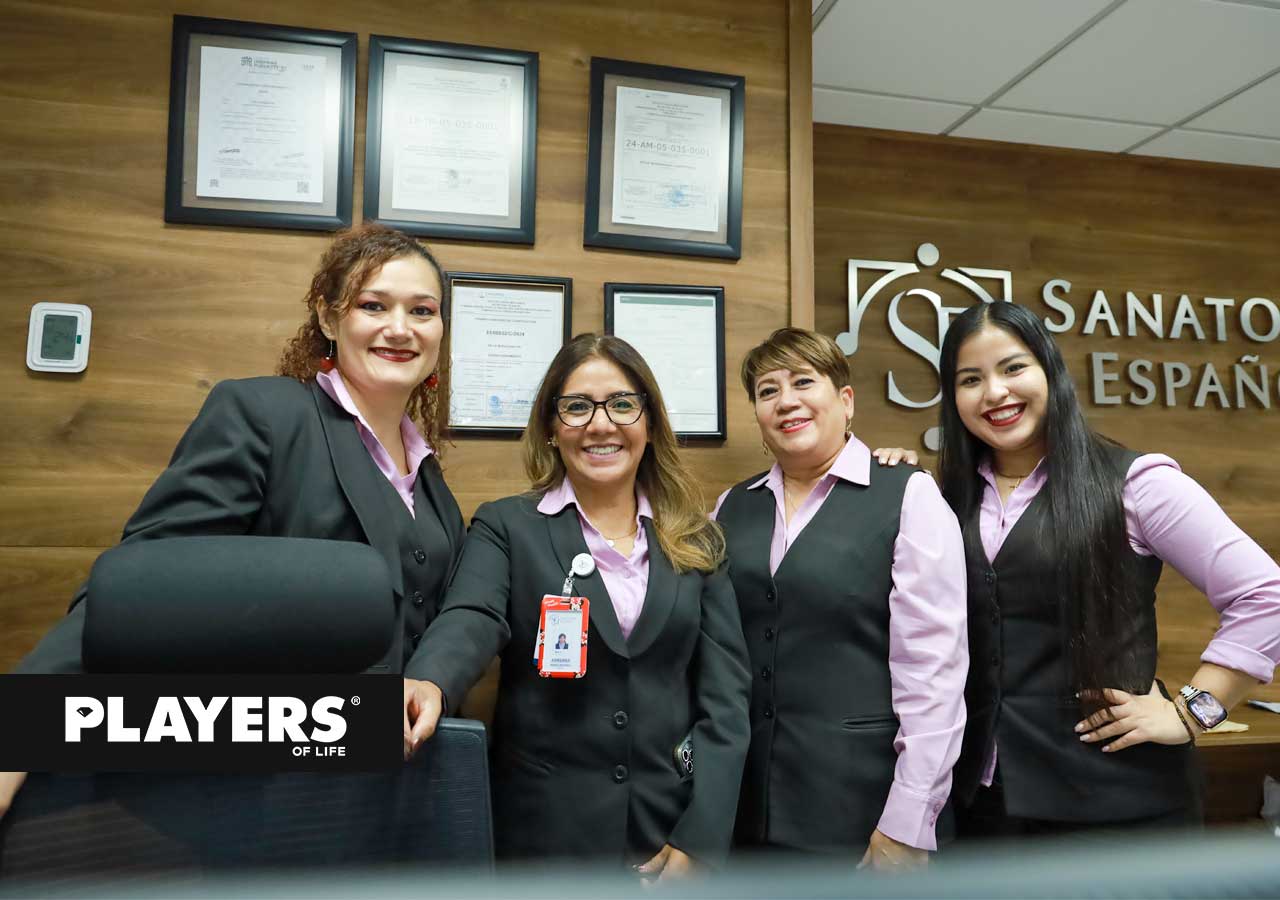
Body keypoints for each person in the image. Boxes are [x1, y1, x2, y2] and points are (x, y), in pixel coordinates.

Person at [2, 224, 464, 820]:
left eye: (422, 311)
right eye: (373, 305)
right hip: (260, 790)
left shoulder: (429, 475)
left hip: (386, 794)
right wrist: (18, 726)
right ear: (328, 318)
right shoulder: (264, 414)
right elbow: (146, 587)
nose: (400, 328)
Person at [402, 334, 751, 877]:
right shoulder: (508, 525)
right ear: (550, 425)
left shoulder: (699, 542)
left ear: (650, 422)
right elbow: (472, 615)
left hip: (664, 836)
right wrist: (429, 679)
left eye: (622, 404)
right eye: (576, 406)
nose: (600, 424)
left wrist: (699, 843)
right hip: (544, 836)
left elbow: (726, 705)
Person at [932, 300, 1280, 836]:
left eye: (1013, 368)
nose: (995, 392)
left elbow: (1265, 594)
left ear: (1051, 371)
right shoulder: (944, 500)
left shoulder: (1138, 484)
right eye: (970, 378)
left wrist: (1195, 711)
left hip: (1118, 808)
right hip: (980, 806)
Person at [712, 327, 968, 870]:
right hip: (746, 816)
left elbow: (935, 672)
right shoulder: (730, 506)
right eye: (767, 391)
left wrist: (909, 820)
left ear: (845, 401)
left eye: (804, 381)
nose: (787, 401)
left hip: (864, 814)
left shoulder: (908, 495)